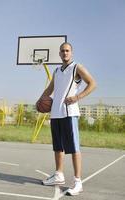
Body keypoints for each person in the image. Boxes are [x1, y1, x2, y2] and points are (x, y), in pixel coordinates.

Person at [37, 42, 96, 196]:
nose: (65, 53)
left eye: (67, 50)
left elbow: (92, 83)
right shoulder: (57, 70)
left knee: (74, 148)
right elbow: (49, 90)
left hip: (69, 113)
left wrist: (77, 97)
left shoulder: (77, 67)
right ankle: (59, 175)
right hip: (55, 113)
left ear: (72, 52)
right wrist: (40, 100)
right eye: (62, 51)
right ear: (59, 53)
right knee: (58, 147)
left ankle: (78, 182)